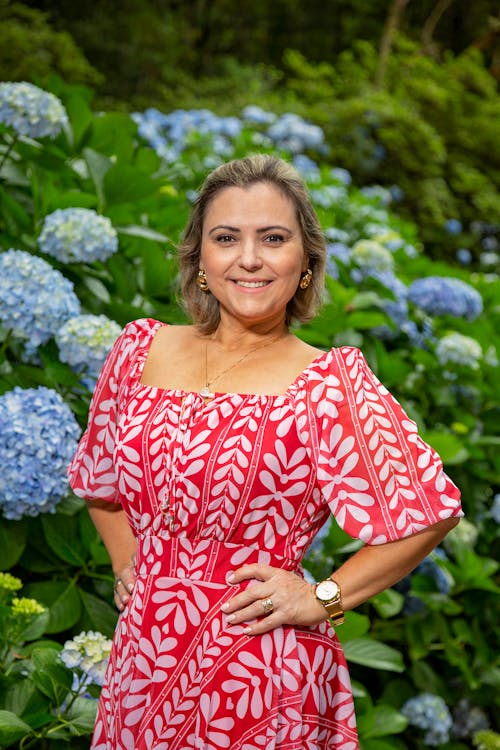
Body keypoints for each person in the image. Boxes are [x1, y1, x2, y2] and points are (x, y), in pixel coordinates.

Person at [68, 154, 462, 750]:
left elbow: (431, 511)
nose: (248, 259)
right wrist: (130, 566)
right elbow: (99, 482)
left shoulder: (329, 383)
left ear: (304, 261)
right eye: (226, 238)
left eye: (272, 239)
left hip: (260, 671)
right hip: (140, 666)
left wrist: (322, 596)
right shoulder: (139, 350)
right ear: (200, 258)